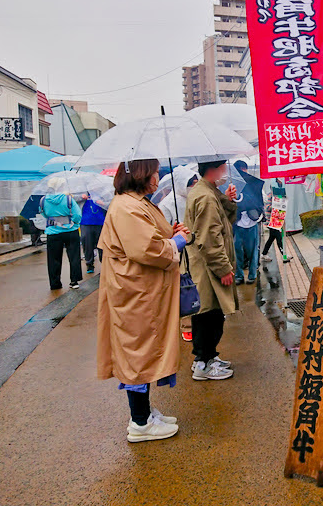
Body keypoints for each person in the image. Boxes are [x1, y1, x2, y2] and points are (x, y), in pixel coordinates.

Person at [97, 158, 190, 442]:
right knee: (136, 354)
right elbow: (146, 249)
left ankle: (145, 414)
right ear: (141, 175)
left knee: (142, 351)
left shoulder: (136, 202)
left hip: (140, 293)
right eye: (154, 172)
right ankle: (139, 423)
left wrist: (170, 233)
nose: (157, 177)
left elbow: (150, 236)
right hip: (135, 296)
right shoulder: (127, 206)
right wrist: (176, 242)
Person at [185, 160, 239, 381]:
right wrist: (223, 268)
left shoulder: (208, 191)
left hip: (205, 266)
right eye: (223, 167)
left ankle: (207, 358)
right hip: (208, 268)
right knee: (210, 315)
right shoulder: (206, 196)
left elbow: (223, 221)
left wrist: (227, 198)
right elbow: (209, 238)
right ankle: (203, 363)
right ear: (214, 170)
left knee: (209, 313)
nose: (226, 171)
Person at [158, 166, 199, 342]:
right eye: (191, 183)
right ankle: (187, 326)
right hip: (181, 252)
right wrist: (175, 233)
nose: (194, 186)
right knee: (185, 287)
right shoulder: (167, 204)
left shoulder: (195, 198)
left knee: (198, 286)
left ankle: (199, 317)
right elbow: (162, 231)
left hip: (197, 250)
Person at [42, 177, 83, 290]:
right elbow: (78, 215)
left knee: (53, 258)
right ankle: (74, 281)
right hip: (71, 231)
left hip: (53, 232)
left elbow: (44, 214)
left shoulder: (44, 200)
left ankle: (55, 283)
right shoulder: (68, 199)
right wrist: (73, 222)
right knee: (74, 256)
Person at [233, 160, 260, 284]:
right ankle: (239, 275)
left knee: (252, 251)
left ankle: (252, 275)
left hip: (252, 221)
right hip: (237, 223)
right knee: (237, 250)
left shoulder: (253, 184)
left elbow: (259, 202)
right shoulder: (232, 185)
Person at [261, 177, 291, 264]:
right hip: (271, 220)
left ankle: (264, 253)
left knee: (271, 238)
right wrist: (275, 205)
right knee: (278, 237)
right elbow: (267, 207)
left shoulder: (280, 195)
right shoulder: (270, 195)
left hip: (277, 219)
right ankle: (284, 255)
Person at [80, 196, 106, 274]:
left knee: (102, 245)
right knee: (87, 243)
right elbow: (73, 199)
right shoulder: (82, 191)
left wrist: (103, 203)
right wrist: (82, 197)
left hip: (101, 222)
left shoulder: (102, 194)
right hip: (86, 222)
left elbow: (110, 204)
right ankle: (89, 264)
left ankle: (104, 264)